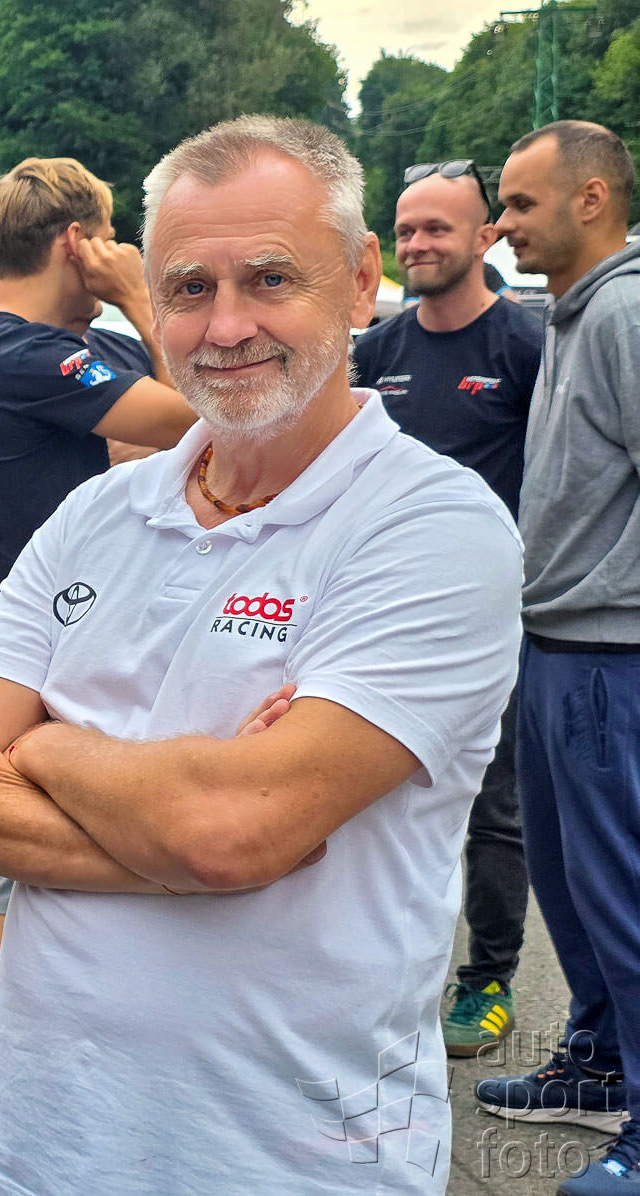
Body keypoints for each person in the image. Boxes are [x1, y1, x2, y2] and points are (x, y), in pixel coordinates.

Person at [0, 116, 522, 1194]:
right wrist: (181, 828)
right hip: (34, 1148)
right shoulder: (98, 512)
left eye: (269, 278)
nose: (225, 326)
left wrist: (41, 743)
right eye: (187, 289)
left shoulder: (433, 526)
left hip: (285, 1159)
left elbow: (230, 829)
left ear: (358, 279)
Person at [0, 155, 193, 1181]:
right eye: (110, 236)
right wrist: (138, 296)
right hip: (44, 658)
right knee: (22, 897)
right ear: (76, 243)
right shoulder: (33, 356)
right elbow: (204, 418)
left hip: (5, 637)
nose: (120, 252)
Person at [475, 120, 640, 1196]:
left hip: (608, 653)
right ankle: (597, 1060)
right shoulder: (572, 312)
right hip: (555, 644)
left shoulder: (624, 313)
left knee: (620, 890)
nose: (501, 224)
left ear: (590, 200)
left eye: (520, 204)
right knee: (574, 888)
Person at [352, 159, 543, 1058]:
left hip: (489, 624)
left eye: (437, 227)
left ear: (483, 235)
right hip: (374, 615)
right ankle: (373, 969)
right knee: (372, 800)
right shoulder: (377, 353)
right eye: (406, 229)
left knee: (492, 810)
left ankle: (487, 982)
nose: (418, 243)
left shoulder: (524, 347)